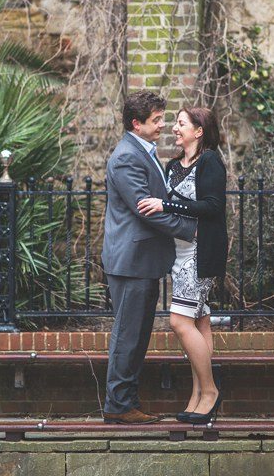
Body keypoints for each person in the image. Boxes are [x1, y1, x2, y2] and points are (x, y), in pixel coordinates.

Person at [100, 90, 198, 424]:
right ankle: (118, 405)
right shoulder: (127, 156)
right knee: (128, 335)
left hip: (141, 262)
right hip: (131, 262)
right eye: (156, 120)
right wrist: (189, 229)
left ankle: (125, 401)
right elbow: (146, 209)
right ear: (136, 123)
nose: (162, 125)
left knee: (137, 334)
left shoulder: (143, 151)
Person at [138, 106, 228, 424]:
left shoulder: (210, 161)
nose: (174, 129)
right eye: (175, 123)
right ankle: (196, 396)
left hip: (199, 254)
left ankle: (211, 391)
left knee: (179, 322)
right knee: (199, 322)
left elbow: (213, 206)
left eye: (181, 123)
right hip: (177, 253)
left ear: (198, 131)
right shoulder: (173, 165)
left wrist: (167, 204)